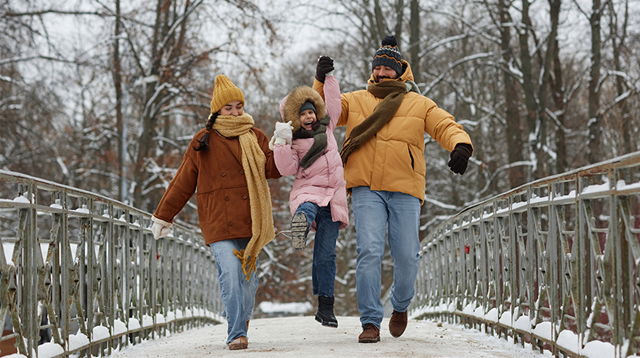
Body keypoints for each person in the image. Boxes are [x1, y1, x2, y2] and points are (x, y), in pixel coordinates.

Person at [313, 35, 473, 343]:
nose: (383, 73)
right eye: (378, 68)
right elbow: (325, 112)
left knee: (407, 255)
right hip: (366, 187)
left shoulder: (418, 103)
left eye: (388, 68)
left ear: (400, 71)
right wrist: (321, 81)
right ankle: (370, 321)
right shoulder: (357, 99)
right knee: (369, 251)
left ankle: (400, 306)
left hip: (405, 187)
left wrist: (461, 144)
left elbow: (444, 124)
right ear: (372, 71)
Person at [150, 75, 281, 350]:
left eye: (238, 106)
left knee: (248, 281)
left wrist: (282, 144)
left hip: (250, 219)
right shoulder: (203, 140)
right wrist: (164, 216)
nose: (235, 112)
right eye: (228, 107)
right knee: (230, 275)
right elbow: (183, 181)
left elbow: (273, 170)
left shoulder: (255, 136)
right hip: (218, 219)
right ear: (217, 110)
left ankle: (240, 323)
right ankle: (236, 333)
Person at [269, 57, 348, 328]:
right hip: (308, 191)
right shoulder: (294, 142)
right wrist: (281, 140)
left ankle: (325, 308)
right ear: (295, 118)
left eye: (311, 111)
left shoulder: (328, 128)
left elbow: (334, 102)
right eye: (303, 114)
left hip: (335, 198)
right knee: (307, 207)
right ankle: (300, 226)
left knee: (326, 254)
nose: (309, 117)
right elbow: (286, 168)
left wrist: (327, 78)